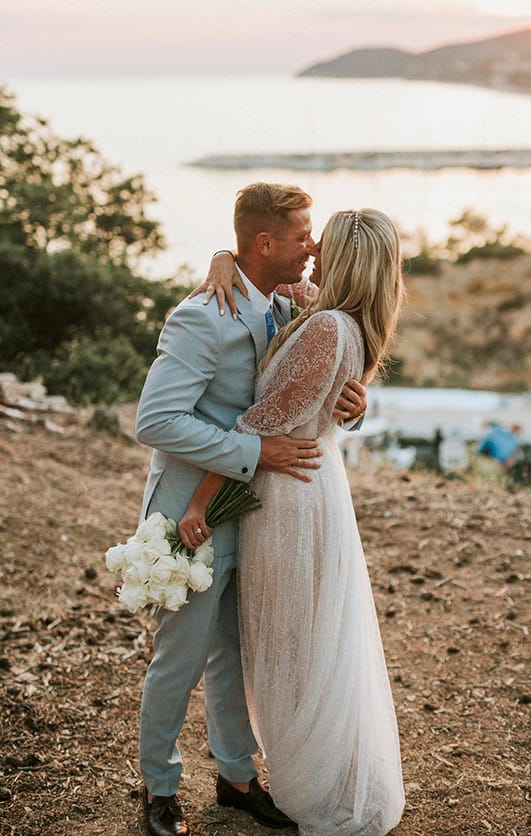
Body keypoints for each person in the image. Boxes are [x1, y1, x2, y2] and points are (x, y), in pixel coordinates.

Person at [134, 182, 367, 836]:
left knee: (238, 654)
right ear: (264, 243)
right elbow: (155, 421)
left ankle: (237, 777)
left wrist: (354, 403)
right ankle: (159, 788)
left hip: (260, 517)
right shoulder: (202, 315)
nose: (314, 246)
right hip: (194, 512)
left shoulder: (297, 302)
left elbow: (316, 374)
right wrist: (252, 450)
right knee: (178, 660)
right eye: (301, 236)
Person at [180, 208, 406, 835]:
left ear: (346, 257)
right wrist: (223, 259)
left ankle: (320, 785)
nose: (308, 250)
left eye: (320, 243)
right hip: (306, 487)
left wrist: (198, 502)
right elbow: (271, 277)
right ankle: (319, 770)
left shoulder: (327, 327)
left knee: (293, 646)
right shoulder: (331, 314)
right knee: (301, 640)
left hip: (290, 500)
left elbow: (257, 424)